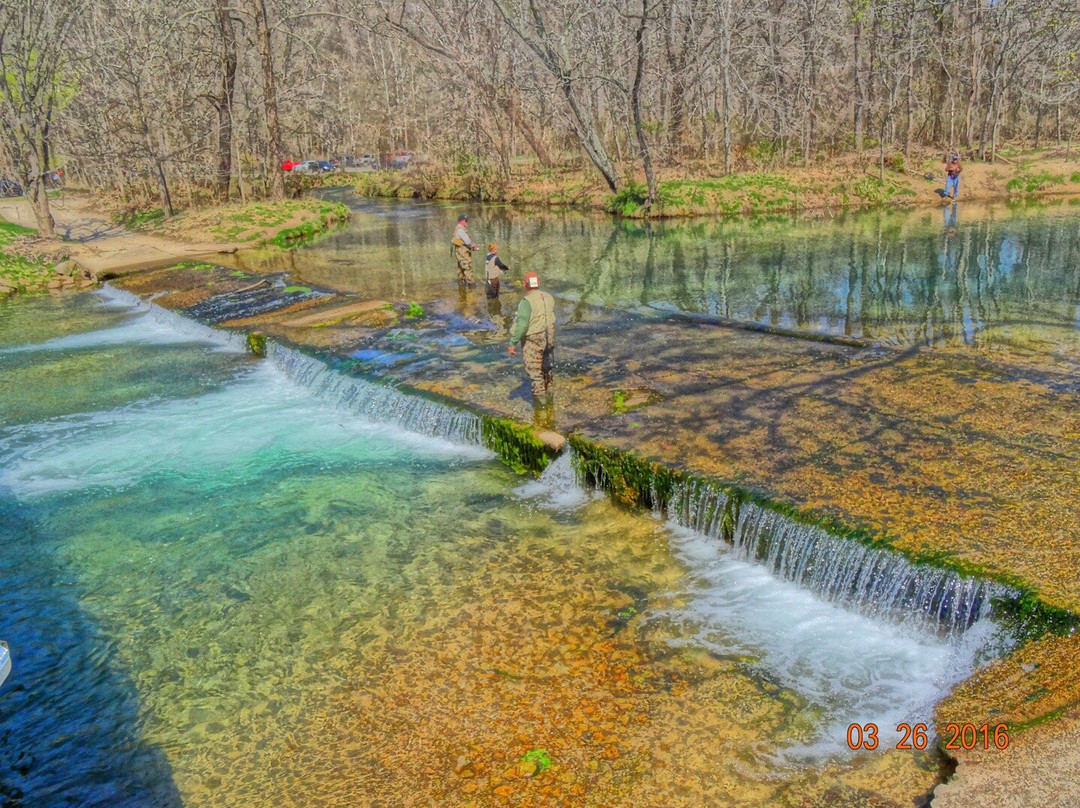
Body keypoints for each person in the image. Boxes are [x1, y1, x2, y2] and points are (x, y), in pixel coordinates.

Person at [508, 272, 555, 398]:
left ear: (525, 285)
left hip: (533, 339)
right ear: (538, 283)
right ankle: (550, 399)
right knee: (547, 367)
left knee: (535, 373)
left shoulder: (526, 302)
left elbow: (522, 325)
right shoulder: (549, 297)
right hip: (549, 336)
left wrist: (513, 342)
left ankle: (540, 409)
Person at [451, 215, 480, 285]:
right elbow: (467, 242)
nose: (467, 222)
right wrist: (474, 246)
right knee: (467, 267)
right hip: (463, 251)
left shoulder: (458, 228)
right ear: (462, 221)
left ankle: (461, 284)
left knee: (461, 267)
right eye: (466, 220)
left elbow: (464, 241)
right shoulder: (461, 229)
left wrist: (472, 245)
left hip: (459, 251)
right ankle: (471, 284)